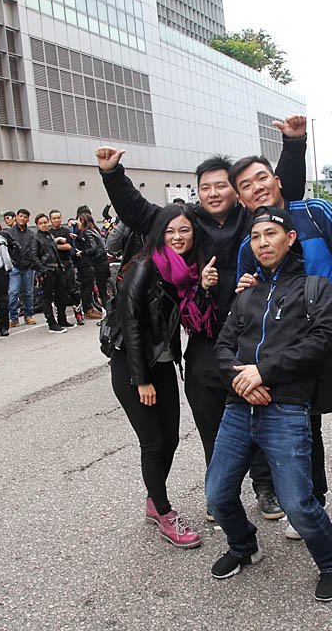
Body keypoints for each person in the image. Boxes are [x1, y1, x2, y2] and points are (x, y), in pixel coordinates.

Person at [96, 115, 308, 523]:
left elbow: (287, 190)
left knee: (262, 413)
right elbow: (141, 215)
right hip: (206, 340)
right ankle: (221, 491)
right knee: (213, 423)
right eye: (205, 187)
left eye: (222, 185)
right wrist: (112, 173)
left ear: (236, 189)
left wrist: (294, 144)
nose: (213, 193)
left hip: (256, 337)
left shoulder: (253, 217)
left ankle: (266, 488)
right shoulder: (189, 220)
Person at [232, 155, 332, 545]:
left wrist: (328, 309)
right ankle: (313, 502)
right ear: (240, 197)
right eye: (247, 185)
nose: (257, 187)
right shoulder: (250, 244)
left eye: (262, 178)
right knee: (306, 433)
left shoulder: (317, 212)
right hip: (295, 359)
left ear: (278, 180)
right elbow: (248, 306)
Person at [207, 206, 332, 601]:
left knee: (298, 505)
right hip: (239, 405)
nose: (263, 242)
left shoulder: (315, 288)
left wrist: (263, 372)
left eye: (271, 234)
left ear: (290, 239)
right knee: (217, 494)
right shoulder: (247, 294)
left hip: (285, 408)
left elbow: (320, 342)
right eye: (256, 237)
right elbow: (223, 347)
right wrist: (241, 379)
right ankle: (243, 547)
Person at [112, 205, 215, 549]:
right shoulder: (143, 267)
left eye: (184, 230)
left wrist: (201, 286)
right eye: (170, 231)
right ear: (159, 234)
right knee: (154, 442)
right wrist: (141, 380)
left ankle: (154, 499)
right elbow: (130, 327)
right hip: (133, 364)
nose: (177, 237)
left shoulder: (184, 270)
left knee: (170, 439)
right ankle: (165, 512)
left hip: (164, 362)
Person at [30, 212, 71, 333]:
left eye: (45, 222)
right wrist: (42, 270)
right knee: (47, 298)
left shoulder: (50, 235)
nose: (44, 225)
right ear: (37, 225)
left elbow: (55, 253)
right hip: (47, 270)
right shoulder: (36, 238)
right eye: (41, 223)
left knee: (61, 295)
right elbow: (33, 256)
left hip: (57, 268)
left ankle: (62, 319)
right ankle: (51, 324)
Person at [49, 209, 82, 325]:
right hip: (55, 265)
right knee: (59, 293)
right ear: (50, 220)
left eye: (58, 217)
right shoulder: (49, 233)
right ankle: (61, 319)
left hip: (67, 263)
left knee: (73, 291)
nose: (57, 220)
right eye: (54, 218)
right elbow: (48, 248)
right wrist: (57, 242)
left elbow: (69, 247)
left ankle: (78, 315)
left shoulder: (66, 231)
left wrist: (54, 245)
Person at [74, 212, 111, 317]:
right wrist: (77, 238)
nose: (78, 223)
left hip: (99, 264)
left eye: (79, 221)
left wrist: (83, 253)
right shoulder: (94, 230)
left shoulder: (87, 232)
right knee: (103, 291)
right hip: (104, 263)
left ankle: (107, 316)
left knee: (102, 292)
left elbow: (93, 248)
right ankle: (108, 314)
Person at [7, 208, 36, 326]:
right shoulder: (9, 233)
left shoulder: (31, 234)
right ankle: (13, 317)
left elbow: (33, 250)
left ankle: (28, 315)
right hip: (15, 267)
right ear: (16, 217)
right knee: (13, 293)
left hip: (28, 267)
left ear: (28, 219)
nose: (23, 219)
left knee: (28, 292)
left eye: (25, 217)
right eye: (21, 216)